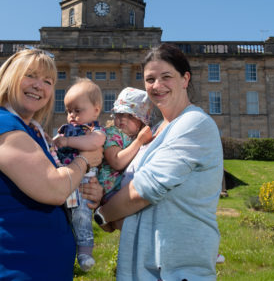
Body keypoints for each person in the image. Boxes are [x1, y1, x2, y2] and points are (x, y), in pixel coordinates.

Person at [0, 48, 103, 281]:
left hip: (44, 266)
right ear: (9, 78)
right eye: (30, 76)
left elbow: (64, 184)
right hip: (15, 264)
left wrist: (90, 192)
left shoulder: (32, 132)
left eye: (48, 81)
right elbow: (53, 188)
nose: (40, 85)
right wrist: (85, 161)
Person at [94, 43, 224, 280]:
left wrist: (102, 213)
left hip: (177, 269)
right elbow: (131, 196)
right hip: (140, 266)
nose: (157, 86)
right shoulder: (153, 132)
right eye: (150, 79)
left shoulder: (194, 124)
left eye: (167, 77)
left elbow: (144, 190)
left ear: (185, 79)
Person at [52, 77, 106, 271]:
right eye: (68, 111)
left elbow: (93, 143)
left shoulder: (94, 130)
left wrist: (67, 142)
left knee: (82, 214)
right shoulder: (66, 129)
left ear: (96, 110)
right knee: (65, 214)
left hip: (83, 181)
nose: (72, 115)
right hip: (66, 177)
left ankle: (85, 251)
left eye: (77, 110)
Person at [98, 87, 154, 203]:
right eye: (120, 114)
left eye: (130, 116)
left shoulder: (137, 137)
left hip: (129, 189)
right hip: (111, 190)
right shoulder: (113, 133)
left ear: (142, 122)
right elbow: (116, 161)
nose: (123, 119)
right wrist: (139, 141)